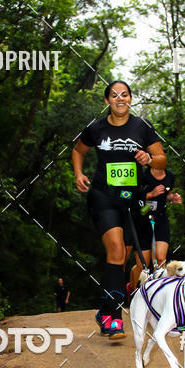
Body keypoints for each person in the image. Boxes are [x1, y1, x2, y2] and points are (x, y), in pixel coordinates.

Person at [72, 80, 166, 339]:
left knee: (122, 257)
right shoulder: (96, 128)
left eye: (124, 94)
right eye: (114, 95)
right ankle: (114, 318)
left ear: (130, 99)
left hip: (132, 199)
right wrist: (78, 173)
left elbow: (162, 159)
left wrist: (150, 158)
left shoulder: (142, 126)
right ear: (107, 101)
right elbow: (78, 150)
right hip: (103, 196)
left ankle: (104, 309)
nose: (120, 98)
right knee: (115, 249)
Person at [128, 165, 183, 292]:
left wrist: (172, 198)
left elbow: (167, 195)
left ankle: (158, 293)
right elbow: (132, 197)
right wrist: (151, 194)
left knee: (160, 259)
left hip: (161, 219)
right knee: (143, 264)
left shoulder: (170, 176)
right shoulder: (141, 176)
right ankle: (134, 290)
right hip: (142, 220)